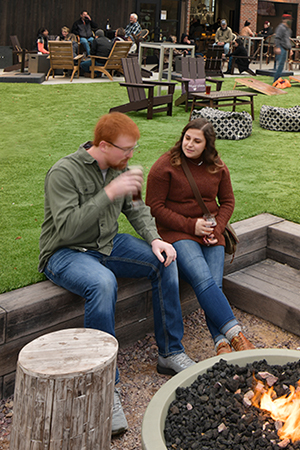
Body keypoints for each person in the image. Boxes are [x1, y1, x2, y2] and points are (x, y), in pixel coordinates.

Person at [39, 112, 196, 436]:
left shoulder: (121, 169)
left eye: (134, 148)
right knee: (102, 282)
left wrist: (155, 240)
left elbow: (137, 210)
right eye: (126, 149)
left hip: (108, 245)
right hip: (66, 252)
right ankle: (105, 388)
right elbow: (67, 227)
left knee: (166, 259)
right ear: (104, 145)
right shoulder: (63, 172)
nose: (131, 156)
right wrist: (109, 193)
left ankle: (171, 352)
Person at [146, 119, 255, 356]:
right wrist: (190, 226)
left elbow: (227, 202)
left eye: (197, 141)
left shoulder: (217, 166)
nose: (190, 144)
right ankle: (235, 334)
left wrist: (216, 230)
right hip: (177, 232)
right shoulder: (165, 166)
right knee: (204, 278)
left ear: (207, 145)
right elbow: (154, 207)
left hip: (210, 233)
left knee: (214, 284)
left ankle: (220, 344)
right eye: (187, 138)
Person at [273, 14, 292, 83]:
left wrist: (290, 49)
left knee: (281, 65)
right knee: (279, 65)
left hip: (285, 48)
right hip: (281, 47)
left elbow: (287, 40)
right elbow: (277, 37)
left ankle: (278, 79)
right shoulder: (281, 28)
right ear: (284, 20)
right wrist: (277, 47)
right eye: (288, 19)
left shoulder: (288, 29)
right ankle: (276, 80)